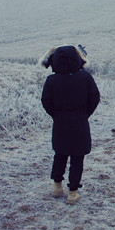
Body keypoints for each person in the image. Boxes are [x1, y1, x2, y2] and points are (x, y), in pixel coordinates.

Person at [41, 45, 100, 204]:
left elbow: (46, 101)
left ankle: (57, 187)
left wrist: (57, 115)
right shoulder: (85, 78)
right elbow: (94, 98)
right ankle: (73, 193)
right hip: (80, 123)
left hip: (60, 124)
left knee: (59, 154)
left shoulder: (51, 80)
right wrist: (84, 114)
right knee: (77, 158)